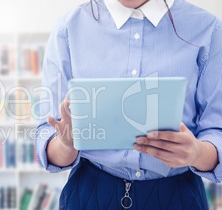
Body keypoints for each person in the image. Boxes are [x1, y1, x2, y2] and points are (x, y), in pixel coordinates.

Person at [36, 0, 222, 209]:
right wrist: (66, 145)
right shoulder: (68, 29)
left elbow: (217, 130)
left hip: (178, 194)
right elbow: (47, 133)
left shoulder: (208, 29)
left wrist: (198, 153)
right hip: (89, 192)